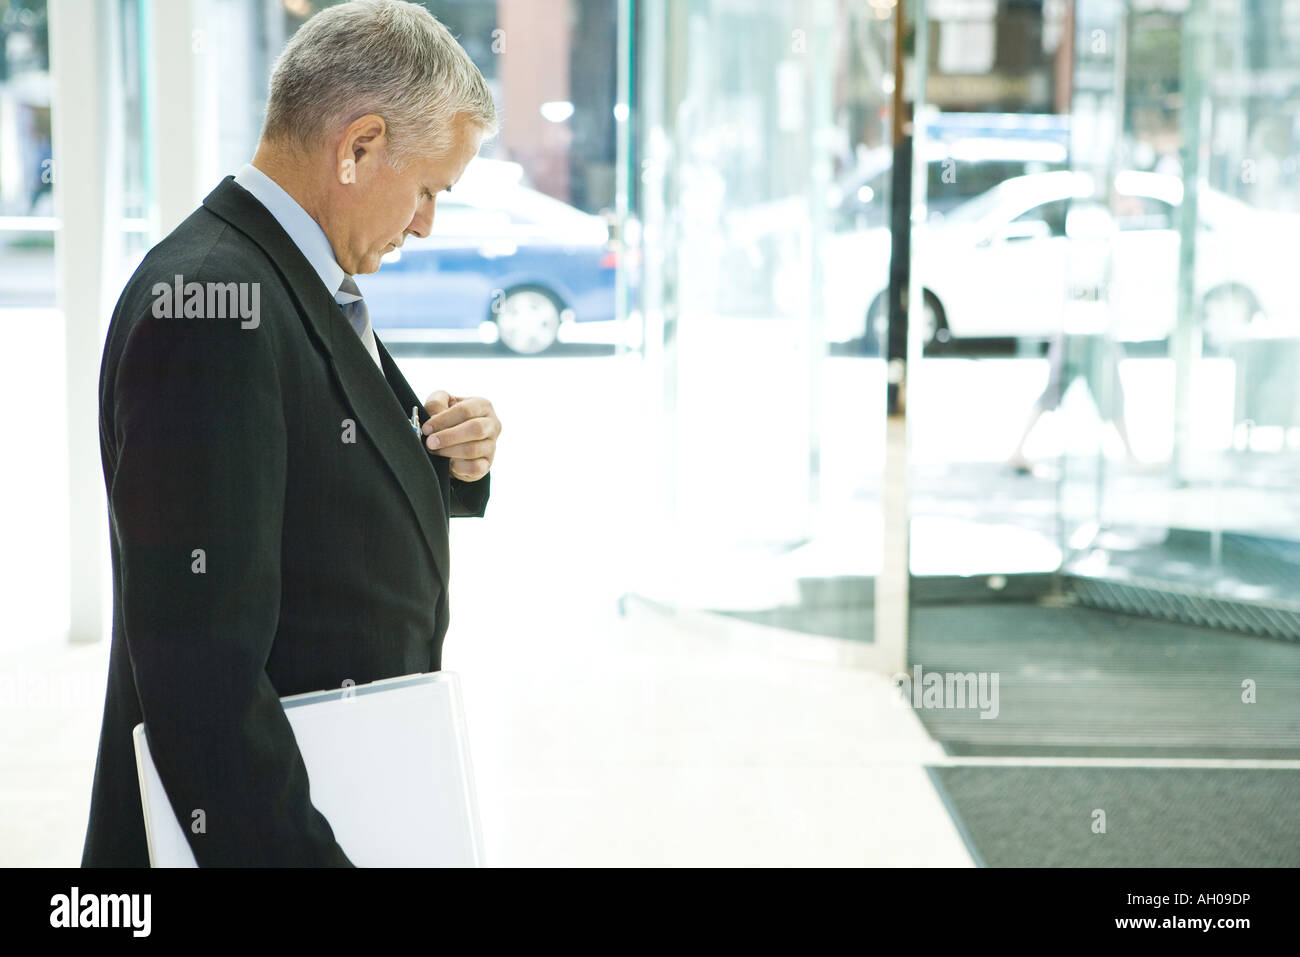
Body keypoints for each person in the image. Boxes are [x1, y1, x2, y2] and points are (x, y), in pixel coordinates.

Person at [82, 0, 502, 866]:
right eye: (427, 189)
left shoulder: (287, 271)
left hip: (345, 788)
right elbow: (202, 676)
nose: (426, 222)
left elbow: (313, 480)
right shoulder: (210, 306)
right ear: (358, 147)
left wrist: (445, 461)